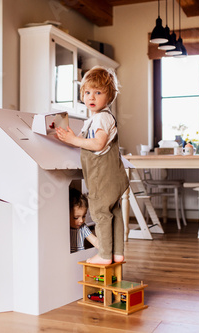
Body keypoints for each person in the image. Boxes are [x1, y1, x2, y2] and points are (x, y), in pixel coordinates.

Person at [56, 66, 129, 265]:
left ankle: (105, 255)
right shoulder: (92, 120)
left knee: (100, 214)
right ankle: (117, 253)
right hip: (113, 178)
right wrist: (69, 138)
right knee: (114, 212)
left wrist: (74, 140)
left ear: (109, 96)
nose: (92, 97)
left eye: (98, 92)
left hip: (102, 178)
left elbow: (98, 143)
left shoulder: (101, 118)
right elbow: (81, 140)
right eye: (87, 92)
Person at [69, 188, 98, 253]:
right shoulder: (64, 229)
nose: (81, 220)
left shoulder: (83, 228)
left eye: (84, 216)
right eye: (76, 218)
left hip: (80, 259)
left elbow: (95, 241)